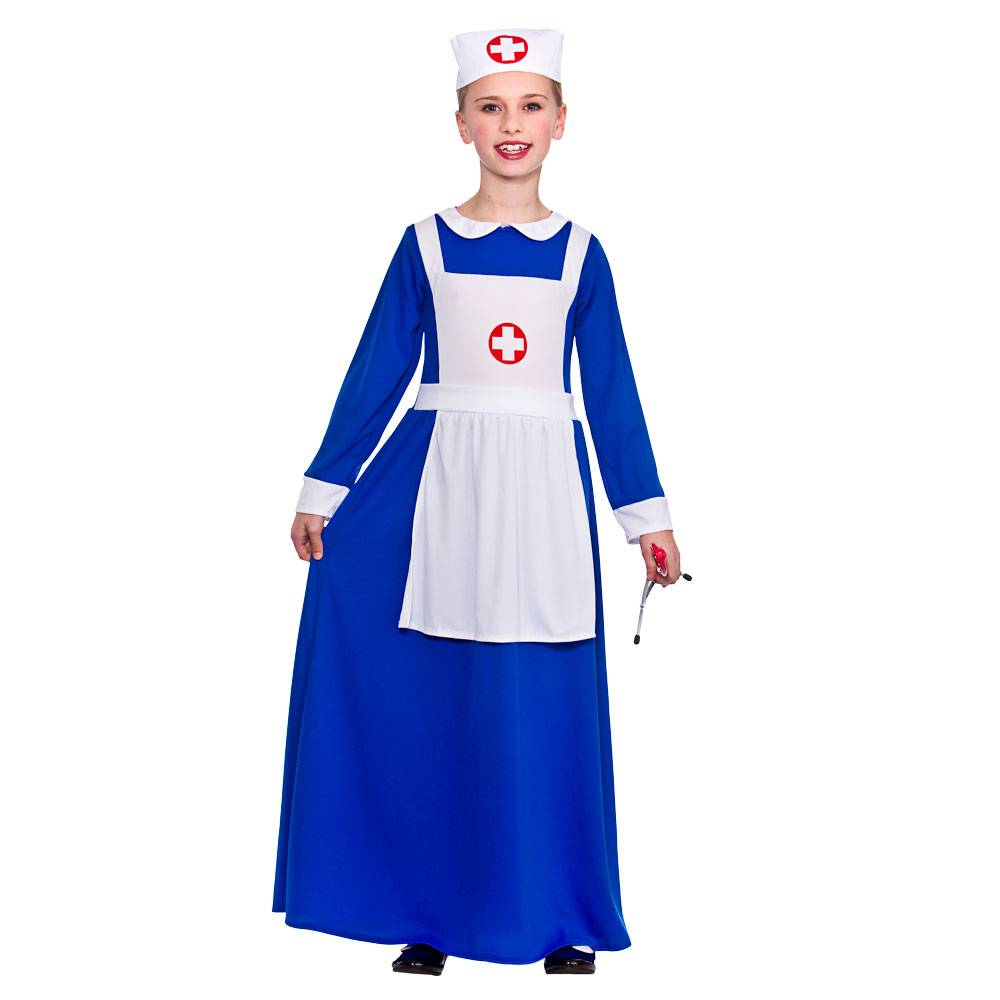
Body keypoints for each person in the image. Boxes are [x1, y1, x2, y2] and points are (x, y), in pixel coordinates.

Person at [272, 27, 683, 976]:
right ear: (461, 124)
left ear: (562, 121)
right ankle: (432, 913)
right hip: (436, 489)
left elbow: (611, 393)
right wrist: (325, 489)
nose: (511, 124)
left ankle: (562, 916)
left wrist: (647, 520)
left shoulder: (581, 254)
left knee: (542, 701)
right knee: (438, 699)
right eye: (491, 106)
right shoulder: (423, 245)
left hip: (543, 495)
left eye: (531, 105)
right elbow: (377, 371)